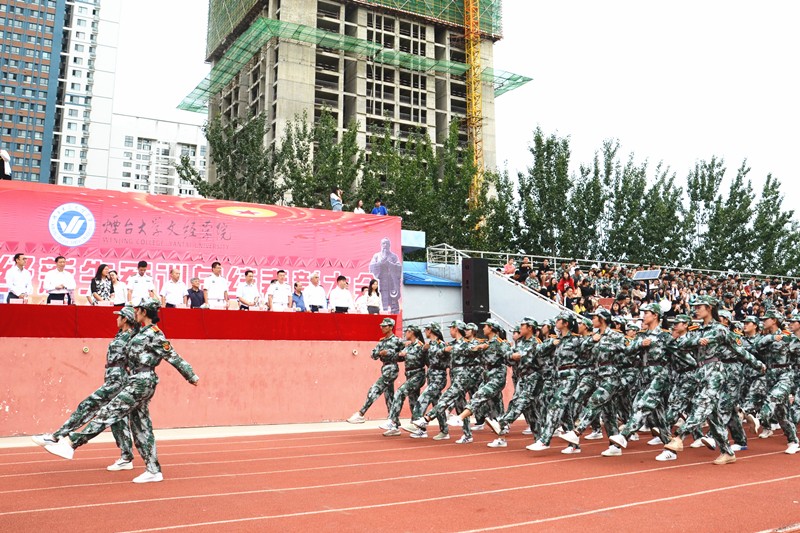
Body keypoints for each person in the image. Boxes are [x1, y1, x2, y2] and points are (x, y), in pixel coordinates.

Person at [42, 298, 200, 483]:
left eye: (137, 310)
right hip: (136, 379)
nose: (135, 313)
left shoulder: (154, 334)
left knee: (109, 411)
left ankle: (71, 443)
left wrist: (191, 376)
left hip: (141, 382)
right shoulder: (141, 332)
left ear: (143, 312)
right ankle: (153, 470)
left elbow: (173, 355)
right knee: (141, 426)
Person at [32, 306, 137, 471]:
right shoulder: (121, 335)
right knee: (117, 418)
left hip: (118, 380)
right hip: (113, 377)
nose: (116, 319)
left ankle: (56, 436)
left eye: (119, 317)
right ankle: (126, 457)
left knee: (88, 405)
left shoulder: (131, 336)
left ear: (125, 319)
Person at [347, 318, 404, 424]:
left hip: (392, 368)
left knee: (375, 389)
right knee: (389, 396)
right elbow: (373, 355)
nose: (382, 328)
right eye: (381, 326)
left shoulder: (398, 341)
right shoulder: (382, 341)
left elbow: (404, 355)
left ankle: (361, 414)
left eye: (384, 326)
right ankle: (393, 422)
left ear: (391, 327)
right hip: (384, 368)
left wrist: (391, 354)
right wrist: (380, 353)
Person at [382, 325, 427, 436]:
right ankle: (420, 429)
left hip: (418, 374)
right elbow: (399, 357)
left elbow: (420, 357)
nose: (405, 333)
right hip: (409, 374)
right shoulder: (409, 346)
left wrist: (407, 354)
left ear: (412, 332)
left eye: (407, 331)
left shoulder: (419, 345)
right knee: (413, 401)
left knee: (400, 392)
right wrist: (393, 354)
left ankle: (393, 421)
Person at [369, 238, 402, 314]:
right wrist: (380, 263)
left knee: (393, 300)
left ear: (389, 245)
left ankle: (394, 313)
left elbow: (398, 267)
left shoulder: (394, 256)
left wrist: (389, 263)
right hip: (381, 281)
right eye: (383, 243)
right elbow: (371, 266)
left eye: (387, 243)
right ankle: (383, 312)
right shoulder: (377, 256)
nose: (385, 245)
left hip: (392, 282)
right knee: (382, 299)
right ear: (381, 245)